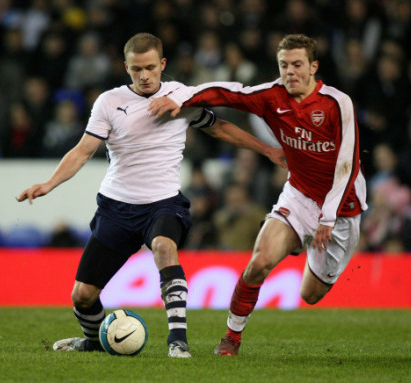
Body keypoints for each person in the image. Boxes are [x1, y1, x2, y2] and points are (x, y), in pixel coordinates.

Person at [16, 32, 284, 358]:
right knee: (82, 296)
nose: (144, 76)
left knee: (163, 247)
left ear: (163, 64)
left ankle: (178, 342)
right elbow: (84, 151)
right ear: (125, 67)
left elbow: (219, 127)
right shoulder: (109, 102)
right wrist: (49, 182)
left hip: (164, 203)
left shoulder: (180, 97)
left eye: (150, 68)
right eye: (136, 69)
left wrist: (267, 150)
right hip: (116, 206)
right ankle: (96, 342)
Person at [149, 33, 368, 356]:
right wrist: (182, 102)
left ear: (313, 67)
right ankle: (231, 339)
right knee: (258, 263)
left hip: (342, 206)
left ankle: (301, 243)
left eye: (297, 65)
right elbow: (227, 93)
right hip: (299, 195)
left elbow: (347, 166)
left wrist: (329, 216)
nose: (290, 72)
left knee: (310, 294)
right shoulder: (271, 96)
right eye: (284, 65)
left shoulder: (337, 103)